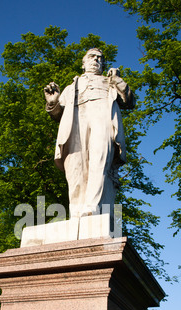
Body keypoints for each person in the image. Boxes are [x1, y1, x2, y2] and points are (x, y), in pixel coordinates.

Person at [44, 48, 135, 218]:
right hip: (76, 118)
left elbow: (129, 101)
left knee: (99, 159)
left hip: (102, 114)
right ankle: (76, 212)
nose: (96, 60)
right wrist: (52, 103)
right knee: (75, 165)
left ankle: (93, 207)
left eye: (100, 58)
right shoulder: (71, 87)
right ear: (83, 63)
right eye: (92, 57)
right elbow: (57, 114)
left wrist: (117, 80)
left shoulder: (109, 82)